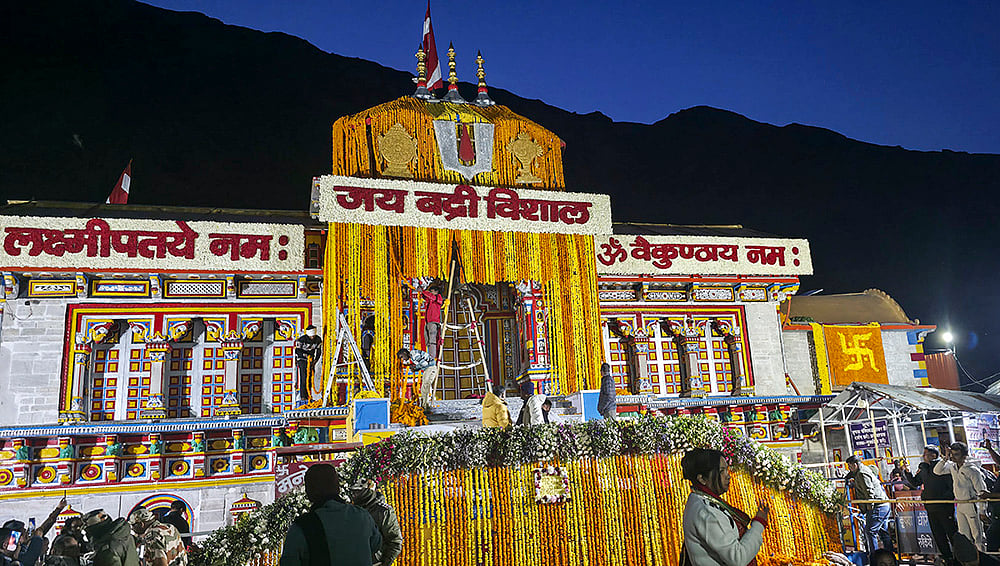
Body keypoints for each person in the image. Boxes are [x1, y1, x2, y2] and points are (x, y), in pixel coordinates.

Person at [278, 464, 381, 566]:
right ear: (338, 487)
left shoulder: (302, 526)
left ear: (309, 491)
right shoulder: (362, 516)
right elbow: (376, 545)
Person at [681, 448, 768, 566]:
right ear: (702, 479)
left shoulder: (699, 500)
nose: (728, 476)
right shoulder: (707, 512)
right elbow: (738, 558)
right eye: (721, 471)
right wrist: (759, 523)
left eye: (726, 470)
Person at [895, 446, 957, 563]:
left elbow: (952, 487)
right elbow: (915, 483)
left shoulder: (944, 467)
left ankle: (959, 557)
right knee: (938, 535)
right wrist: (907, 472)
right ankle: (947, 558)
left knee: (951, 533)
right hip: (930, 507)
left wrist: (945, 498)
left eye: (926, 454)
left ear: (934, 455)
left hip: (944, 506)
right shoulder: (923, 468)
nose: (923, 456)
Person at [935, 442, 988, 551]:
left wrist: (982, 510)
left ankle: (983, 558)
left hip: (971, 504)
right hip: (960, 504)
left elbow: (981, 490)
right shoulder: (952, 467)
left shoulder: (972, 470)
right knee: (964, 535)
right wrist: (945, 458)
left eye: (956, 454)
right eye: (952, 454)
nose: (953, 457)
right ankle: (969, 559)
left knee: (977, 535)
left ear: (964, 455)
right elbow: (937, 471)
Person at [844, 455, 894, 554]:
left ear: (855, 464)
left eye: (850, 466)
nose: (849, 468)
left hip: (877, 506)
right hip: (883, 504)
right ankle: (890, 556)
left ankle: (874, 557)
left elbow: (869, 491)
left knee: (870, 531)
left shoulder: (862, 473)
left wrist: (868, 507)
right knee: (883, 533)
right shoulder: (861, 471)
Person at [350, 480, 403, 566]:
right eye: (354, 492)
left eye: (358, 492)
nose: (354, 495)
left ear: (367, 492)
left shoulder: (383, 512)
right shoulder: (352, 510)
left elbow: (395, 541)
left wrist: (384, 563)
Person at [294, 325, 323, 402]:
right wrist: (305, 355)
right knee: (303, 376)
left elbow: (319, 351)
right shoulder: (302, 339)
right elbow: (297, 350)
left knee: (310, 377)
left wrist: (315, 360)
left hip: (311, 360)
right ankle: (303, 396)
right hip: (302, 359)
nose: (312, 338)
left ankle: (309, 394)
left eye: (313, 336)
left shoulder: (318, 340)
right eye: (311, 336)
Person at [420, 285, 444, 360]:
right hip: (428, 322)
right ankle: (430, 354)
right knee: (427, 340)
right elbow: (425, 297)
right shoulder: (430, 300)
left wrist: (423, 291)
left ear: (436, 292)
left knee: (432, 340)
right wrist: (421, 292)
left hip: (434, 322)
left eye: (431, 291)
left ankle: (432, 357)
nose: (430, 293)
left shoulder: (438, 298)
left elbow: (431, 296)